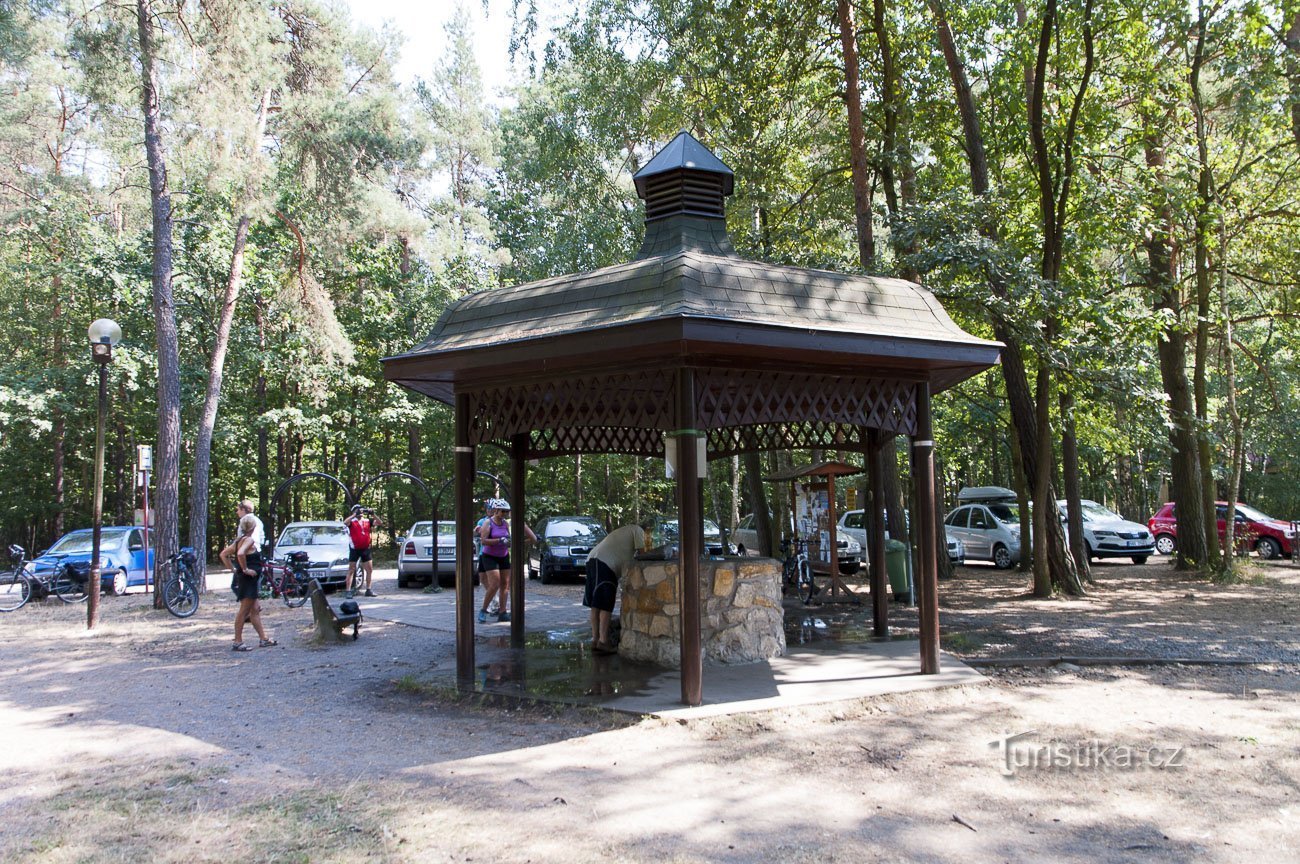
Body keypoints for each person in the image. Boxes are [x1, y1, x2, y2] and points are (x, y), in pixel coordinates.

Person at [583, 518, 653, 654]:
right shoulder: (638, 530)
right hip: (605, 564)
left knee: (596, 605)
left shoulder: (625, 530)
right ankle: (603, 641)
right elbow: (643, 554)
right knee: (605, 605)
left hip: (592, 559)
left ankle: (595, 640)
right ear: (646, 530)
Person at [476, 498, 535, 624]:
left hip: (503, 555)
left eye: (507, 511)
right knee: (495, 584)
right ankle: (483, 610)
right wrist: (499, 540)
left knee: (505, 585)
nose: (505, 514)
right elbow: (484, 541)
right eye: (503, 511)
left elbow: (509, 540)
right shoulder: (488, 523)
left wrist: (514, 541)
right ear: (496, 511)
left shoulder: (505, 524)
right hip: (489, 556)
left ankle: (502, 612)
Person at [232, 513, 275, 651]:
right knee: (244, 611)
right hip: (248, 581)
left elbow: (223, 554)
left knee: (255, 609)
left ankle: (264, 639)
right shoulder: (248, 540)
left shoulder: (239, 540)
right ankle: (237, 642)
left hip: (248, 580)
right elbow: (240, 553)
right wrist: (245, 569)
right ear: (253, 526)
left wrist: (234, 569)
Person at [344, 504, 380, 598]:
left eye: (361, 510)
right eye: (358, 511)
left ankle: (368, 589)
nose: (360, 512)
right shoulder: (352, 522)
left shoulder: (367, 521)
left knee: (369, 570)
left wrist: (373, 514)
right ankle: (348, 591)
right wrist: (354, 515)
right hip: (355, 549)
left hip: (365, 548)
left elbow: (380, 522)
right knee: (351, 569)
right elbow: (345, 522)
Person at [219, 499, 263, 573]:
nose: (237, 512)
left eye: (238, 510)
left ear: (243, 509)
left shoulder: (247, 521)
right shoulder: (257, 521)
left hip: (249, 558)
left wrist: (235, 569)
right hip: (253, 558)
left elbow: (241, 551)